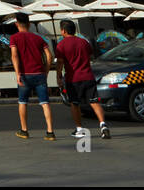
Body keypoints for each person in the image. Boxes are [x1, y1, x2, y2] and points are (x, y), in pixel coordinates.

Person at [56, 20, 110, 140]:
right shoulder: (84, 42)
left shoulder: (61, 45)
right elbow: (90, 56)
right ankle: (103, 125)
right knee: (94, 102)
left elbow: (60, 62)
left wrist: (58, 77)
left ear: (63, 31)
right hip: (88, 76)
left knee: (75, 104)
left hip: (73, 79)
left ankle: (80, 129)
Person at [9, 11, 54, 141]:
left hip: (24, 74)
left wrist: (17, 73)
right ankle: (50, 131)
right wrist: (46, 71)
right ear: (29, 24)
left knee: (23, 102)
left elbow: (14, 55)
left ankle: (24, 130)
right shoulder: (38, 38)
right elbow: (49, 55)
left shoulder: (15, 38)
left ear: (17, 24)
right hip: (39, 73)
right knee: (45, 103)